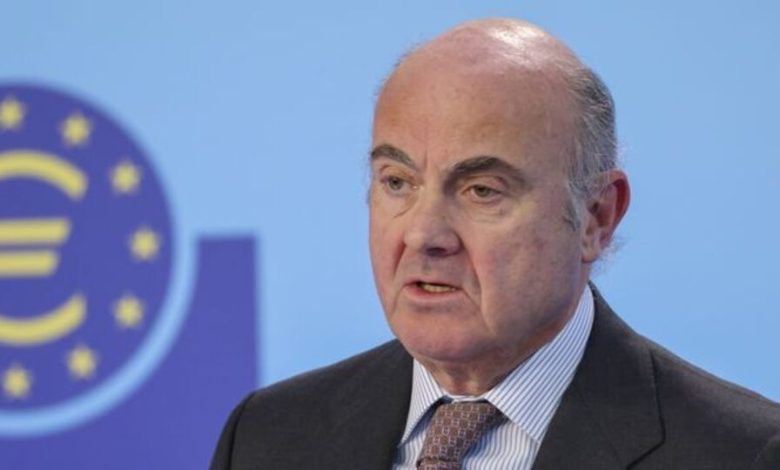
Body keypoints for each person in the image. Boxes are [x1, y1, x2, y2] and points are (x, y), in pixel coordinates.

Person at [211, 18, 780, 469]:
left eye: (482, 190)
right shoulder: (267, 437)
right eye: (397, 182)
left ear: (595, 217)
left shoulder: (742, 453)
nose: (423, 235)